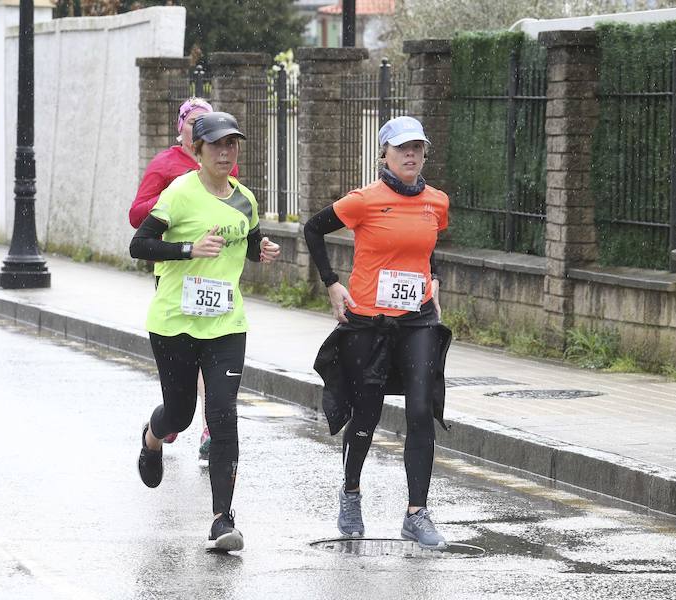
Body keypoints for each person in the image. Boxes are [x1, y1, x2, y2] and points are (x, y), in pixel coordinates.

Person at [130, 111, 280, 551]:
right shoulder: (179, 193)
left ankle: (222, 519)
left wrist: (262, 249)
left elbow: (250, 243)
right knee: (180, 415)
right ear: (198, 151)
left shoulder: (245, 200)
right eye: (216, 145)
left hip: (225, 324)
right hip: (174, 323)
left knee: (223, 416)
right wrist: (187, 249)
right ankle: (152, 438)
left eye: (232, 144)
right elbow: (139, 245)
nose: (225, 152)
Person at [304, 116, 452, 549]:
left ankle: (416, 513)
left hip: (418, 318)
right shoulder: (363, 201)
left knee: (421, 410)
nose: (411, 155)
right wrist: (332, 283)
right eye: (402, 148)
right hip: (369, 320)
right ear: (383, 154)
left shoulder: (436, 202)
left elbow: (425, 246)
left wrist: (435, 276)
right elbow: (313, 229)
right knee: (365, 413)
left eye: (418, 148)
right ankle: (351, 493)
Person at [129, 97, 239, 462]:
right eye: (194, 121)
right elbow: (136, 217)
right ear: (183, 129)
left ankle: (210, 425)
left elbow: (236, 213)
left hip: (216, 278)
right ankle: (173, 416)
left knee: (213, 350)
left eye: (208, 121)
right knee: (187, 360)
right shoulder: (166, 165)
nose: (202, 127)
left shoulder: (224, 166)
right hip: (176, 275)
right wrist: (175, 198)